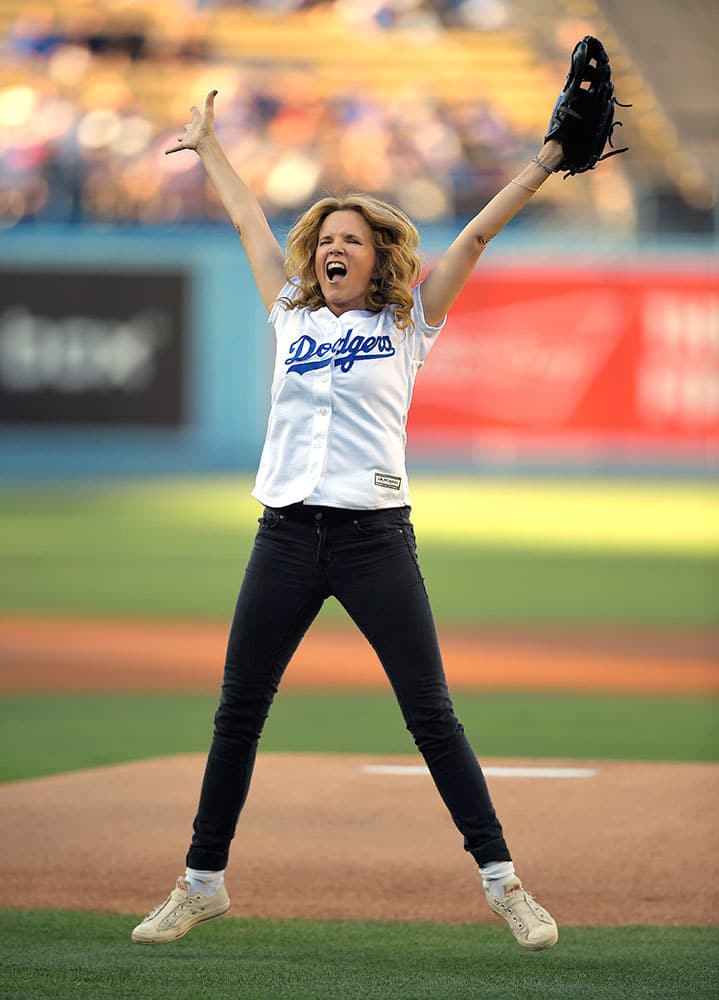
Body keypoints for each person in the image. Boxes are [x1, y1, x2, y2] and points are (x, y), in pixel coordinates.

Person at [131, 89, 563, 950]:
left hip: (374, 540)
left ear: (376, 260)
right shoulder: (290, 315)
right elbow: (252, 227)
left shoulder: (408, 323)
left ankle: (504, 884)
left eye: (349, 242)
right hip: (285, 537)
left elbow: (475, 235)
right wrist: (212, 148)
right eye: (325, 241)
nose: (333, 249)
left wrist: (546, 164)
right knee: (238, 711)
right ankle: (200, 883)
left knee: (430, 713)